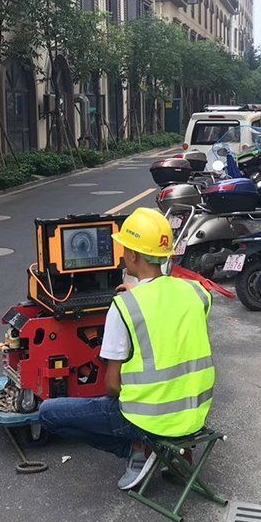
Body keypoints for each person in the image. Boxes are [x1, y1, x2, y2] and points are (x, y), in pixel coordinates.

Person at [38, 208, 215, 490]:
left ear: (133, 256)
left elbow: (112, 386)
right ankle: (176, 451)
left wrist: (131, 301)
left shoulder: (124, 307)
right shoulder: (197, 294)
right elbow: (168, 318)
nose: (120, 253)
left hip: (147, 420)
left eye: (124, 249)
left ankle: (140, 448)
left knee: (48, 413)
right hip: (195, 414)